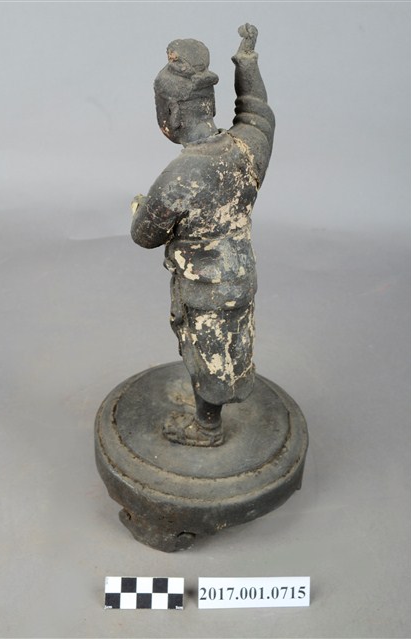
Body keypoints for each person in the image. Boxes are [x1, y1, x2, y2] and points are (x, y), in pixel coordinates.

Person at [131, 24, 275, 447]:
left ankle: (207, 428)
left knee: (206, 358)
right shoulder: (246, 148)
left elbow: (144, 235)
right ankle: (213, 411)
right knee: (232, 351)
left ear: (172, 114)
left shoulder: (181, 176)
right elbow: (257, 114)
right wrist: (246, 65)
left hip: (204, 288)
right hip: (241, 275)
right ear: (208, 104)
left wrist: (140, 206)